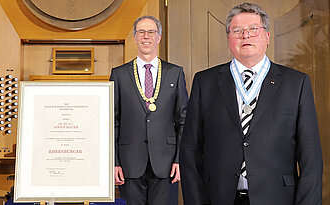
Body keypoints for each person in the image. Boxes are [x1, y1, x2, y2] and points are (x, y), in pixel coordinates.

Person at [180, 2, 322, 205]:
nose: (245, 35)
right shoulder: (205, 82)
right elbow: (190, 151)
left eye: (253, 29)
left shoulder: (296, 83)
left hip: (277, 198)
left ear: (267, 36)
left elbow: (311, 158)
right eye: (237, 31)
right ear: (229, 38)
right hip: (218, 197)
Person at [110, 15, 188, 205]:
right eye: (141, 32)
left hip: (166, 164)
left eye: (151, 32)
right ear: (135, 37)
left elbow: (183, 119)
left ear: (159, 37)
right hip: (129, 163)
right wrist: (114, 162)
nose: (146, 36)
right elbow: (112, 121)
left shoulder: (175, 73)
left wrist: (180, 159)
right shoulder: (118, 74)